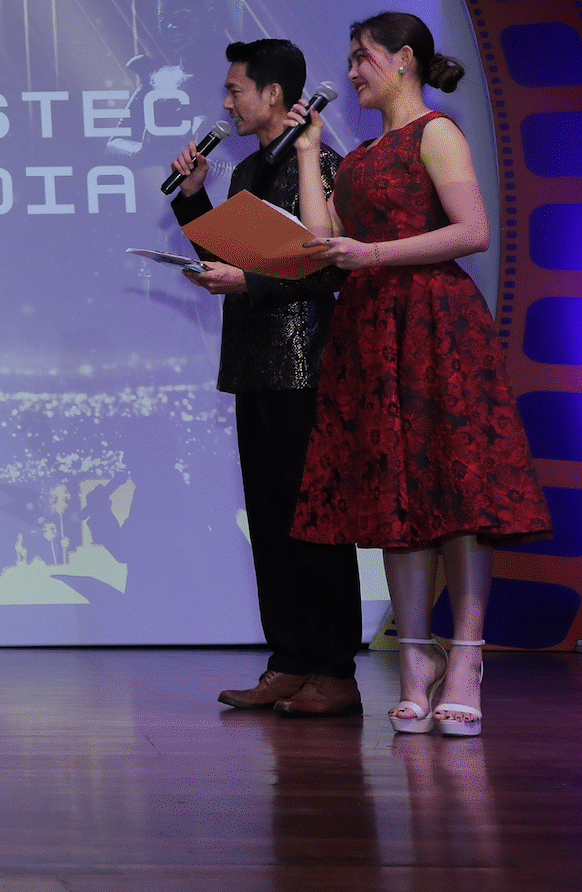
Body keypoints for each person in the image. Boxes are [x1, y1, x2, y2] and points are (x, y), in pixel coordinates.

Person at [291, 12, 551, 738]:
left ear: (404, 59)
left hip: (436, 323)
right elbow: (319, 243)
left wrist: (373, 256)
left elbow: (474, 230)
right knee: (394, 494)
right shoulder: (361, 156)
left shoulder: (435, 134)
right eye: (350, 59)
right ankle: (414, 657)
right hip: (371, 331)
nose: (351, 72)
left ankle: (466, 657)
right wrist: (309, 153)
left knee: (456, 487)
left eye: (362, 57)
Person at [169, 38, 363, 718]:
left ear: (274, 94)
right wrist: (193, 199)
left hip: (305, 365)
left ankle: (333, 669)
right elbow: (229, 256)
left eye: (235, 89)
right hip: (254, 364)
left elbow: (326, 267)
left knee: (315, 520)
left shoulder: (323, 164)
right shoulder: (248, 169)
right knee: (272, 522)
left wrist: (248, 280)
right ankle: (289, 660)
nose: (227, 103)